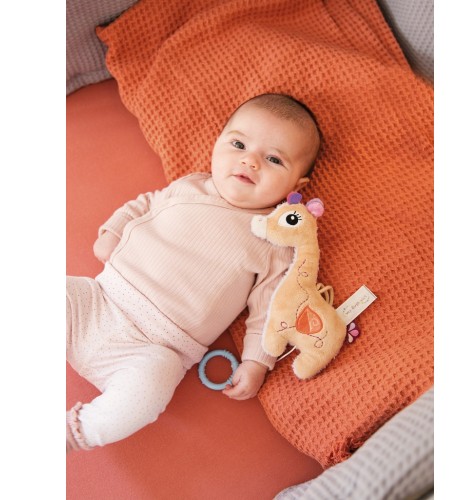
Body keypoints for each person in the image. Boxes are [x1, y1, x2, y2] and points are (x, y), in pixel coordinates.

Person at [66, 93, 321, 452]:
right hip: (98, 300)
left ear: (296, 186)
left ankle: (76, 432)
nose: (250, 161)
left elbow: (270, 310)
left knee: (150, 390)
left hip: (156, 348)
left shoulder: (274, 242)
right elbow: (145, 203)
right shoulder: (190, 185)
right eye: (238, 144)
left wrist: (256, 362)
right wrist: (113, 230)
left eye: (274, 159)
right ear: (217, 144)